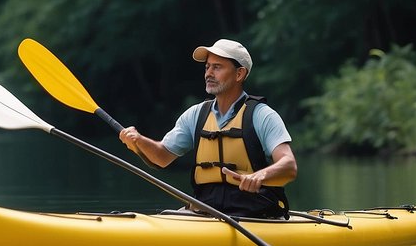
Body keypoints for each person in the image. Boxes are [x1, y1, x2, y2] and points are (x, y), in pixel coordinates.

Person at [118, 38, 297, 219]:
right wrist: (139, 141)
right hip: (205, 212)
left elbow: (289, 166)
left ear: (239, 74)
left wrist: (260, 176)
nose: (208, 74)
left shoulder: (262, 115)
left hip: (255, 214)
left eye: (217, 67)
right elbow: (162, 157)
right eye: (207, 67)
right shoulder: (196, 115)